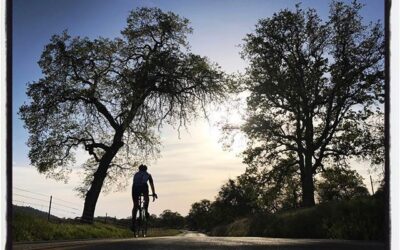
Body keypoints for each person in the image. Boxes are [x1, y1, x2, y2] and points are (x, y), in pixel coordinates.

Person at [131, 164, 157, 233]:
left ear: (139, 169)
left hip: (135, 188)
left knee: (135, 205)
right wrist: (154, 193)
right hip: (143, 187)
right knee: (146, 198)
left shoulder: (136, 174)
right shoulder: (148, 174)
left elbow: (134, 183)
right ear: (146, 169)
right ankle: (145, 210)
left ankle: (133, 223)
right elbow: (151, 184)